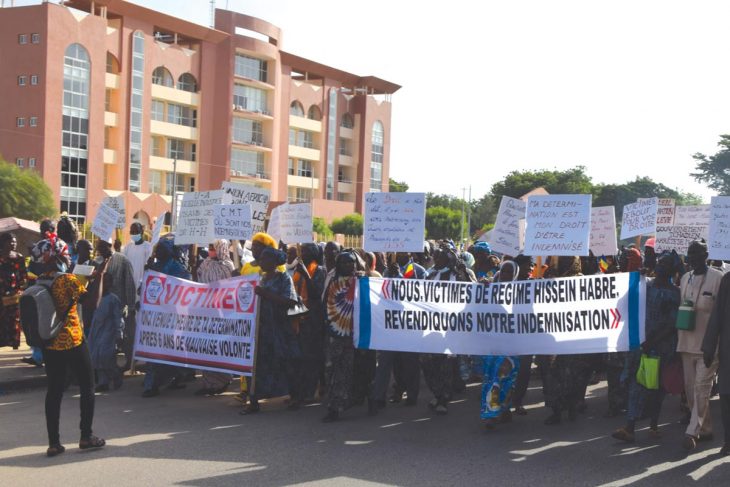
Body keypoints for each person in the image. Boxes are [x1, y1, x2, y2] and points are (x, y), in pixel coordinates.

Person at [30, 234, 104, 457]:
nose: (68, 258)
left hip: (49, 342)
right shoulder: (67, 280)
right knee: (87, 386)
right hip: (72, 339)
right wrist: (98, 278)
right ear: (57, 257)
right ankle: (86, 436)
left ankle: (54, 443)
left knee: (54, 391)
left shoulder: (40, 281)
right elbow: (92, 302)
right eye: (65, 254)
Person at [611, 253, 680, 442]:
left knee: (657, 386)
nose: (659, 265)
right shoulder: (645, 285)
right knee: (637, 384)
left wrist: (653, 341)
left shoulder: (674, 293)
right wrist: (636, 279)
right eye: (659, 261)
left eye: (664, 264)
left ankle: (653, 425)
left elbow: (672, 323)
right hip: (640, 346)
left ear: (672, 270)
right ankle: (630, 427)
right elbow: (623, 303)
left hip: (662, 348)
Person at [240, 247, 298, 414]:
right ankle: (254, 401)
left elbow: (290, 301)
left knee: (285, 362)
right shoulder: (261, 279)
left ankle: (294, 396)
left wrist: (265, 294)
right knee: (258, 365)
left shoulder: (284, 278)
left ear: (273, 262)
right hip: (262, 329)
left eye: (265, 259)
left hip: (280, 328)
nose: (261, 262)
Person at [678, 240, 723, 450]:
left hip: (708, 346)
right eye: (690, 254)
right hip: (686, 344)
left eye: (697, 254)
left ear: (706, 255)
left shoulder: (718, 279)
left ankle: (692, 431)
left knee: (701, 388)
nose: (692, 258)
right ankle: (706, 429)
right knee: (690, 391)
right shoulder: (685, 278)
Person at [421, 245, 474, 415]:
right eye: (434, 257)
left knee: (445, 365)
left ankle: (444, 398)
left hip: (451, 329)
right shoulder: (429, 274)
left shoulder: (458, 275)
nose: (435, 260)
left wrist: (463, 272)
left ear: (449, 259)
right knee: (428, 363)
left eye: (439, 257)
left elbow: (473, 291)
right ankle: (437, 393)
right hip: (430, 327)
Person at [372, 252, 427, 411]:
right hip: (390, 325)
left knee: (410, 363)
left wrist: (401, 278)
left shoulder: (419, 271)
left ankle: (412, 395)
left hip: (408, 325)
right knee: (384, 363)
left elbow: (419, 295)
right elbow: (382, 295)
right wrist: (390, 276)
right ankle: (379, 397)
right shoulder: (388, 271)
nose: (401, 252)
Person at [543, 256, 592, 425]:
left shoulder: (581, 280)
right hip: (553, 336)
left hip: (574, 337)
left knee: (574, 376)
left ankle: (572, 408)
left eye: (567, 259)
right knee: (553, 375)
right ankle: (556, 411)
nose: (564, 262)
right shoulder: (551, 279)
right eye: (562, 259)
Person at [141, 236, 192, 397]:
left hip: (171, 317)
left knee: (169, 349)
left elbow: (184, 288)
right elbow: (145, 288)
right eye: (158, 248)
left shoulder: (178, 268)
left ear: (169, 251)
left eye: (162, 249)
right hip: (154, 317)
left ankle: (174, 377)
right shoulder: (154, 266)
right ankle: (152, 384)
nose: (158, 251)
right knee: (154, 350)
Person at [322, 251, 364, 422]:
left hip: (353, 335)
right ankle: (333, 402)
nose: (350, 266)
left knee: (345, 371)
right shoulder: (331, 281)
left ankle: (337, 406)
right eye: (345, 263)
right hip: (334, 334)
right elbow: (325, 303)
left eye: (352, 262)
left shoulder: (361, 281)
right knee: (330, 370)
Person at [481, 260, 521, 428]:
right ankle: (492, 413)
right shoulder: (489, 289)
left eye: (509, 273)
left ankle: (503, 409)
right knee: (492, 379)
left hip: (511, 346)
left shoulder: (521, 293)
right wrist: (480, 288)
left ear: (515, 275)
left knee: (506, 379)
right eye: (503, 271)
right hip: (492, 345)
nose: (505, 275)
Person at [195, 240, 235, 396]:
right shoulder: (205, 263)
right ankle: (208, 382)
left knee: (220, 347)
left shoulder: (228, 266)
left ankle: (223, 381)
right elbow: (198, 281)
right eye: (210, 247)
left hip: (223, 313)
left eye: (213, 248)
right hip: (206, 311)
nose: (210, 250)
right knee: (207, 346)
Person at [290, 243, 327, 405]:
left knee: (310, 358)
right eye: (301, 251)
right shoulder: (297, 270)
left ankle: (308, 393)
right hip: (299, 317)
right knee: (299, 359)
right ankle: (299, 392)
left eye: (305, 251)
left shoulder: (319, 270)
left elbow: (315, 294)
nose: (302, 254)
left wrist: (305, 274)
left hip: (313, 320)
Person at [702, 259, 730, 456]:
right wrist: (709, 347)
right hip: (728, 352)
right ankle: (729, 440)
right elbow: (717, 315)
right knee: (727, 395)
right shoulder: (728, 280)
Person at [88, 273, 124, 392]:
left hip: (109, 331)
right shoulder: (95, 297)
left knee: (105, 356)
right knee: (95, 356)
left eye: (107, 282)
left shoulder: (113, 299)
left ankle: (115, 374)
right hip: (96, 330)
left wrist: (119, 333)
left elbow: (118, 318)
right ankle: (103, 382)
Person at [0, 232, 28, 349]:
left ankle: (13, 341)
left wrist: (20, 289)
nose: (13, 244)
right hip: (1, 291)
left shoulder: (19, 258)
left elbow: (23, 276)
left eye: (15, 241)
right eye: (10, 241)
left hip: (14, 292)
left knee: (14, 318)